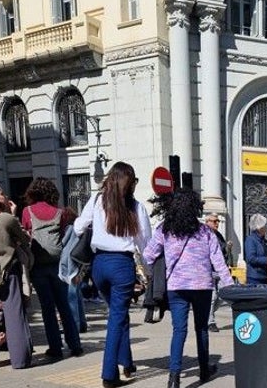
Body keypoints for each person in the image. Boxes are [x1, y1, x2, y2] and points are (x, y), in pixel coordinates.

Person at [144, 189, 233, 388]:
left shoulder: (164, 230)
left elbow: (148, 255)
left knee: (179, 331)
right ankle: (203, 370)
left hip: (176, 287)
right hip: (202, 286)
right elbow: (218, 262)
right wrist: (231, 287)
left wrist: (154, 272)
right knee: (202, 329)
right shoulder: (205, 232)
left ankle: (174, 378)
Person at [74, 162, 151, 388]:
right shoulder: (136, 208)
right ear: (131, 183)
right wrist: (147, 272)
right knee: (117, 318)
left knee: (118, 314)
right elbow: (145, 244)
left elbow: (79, 227)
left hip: (99, 266)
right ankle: (109, 374)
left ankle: (126, 361)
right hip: (121, 266)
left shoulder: (98, 200)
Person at [21, 178, 82, 359]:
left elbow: (25, 234)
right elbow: (63, 235)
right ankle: (75, 345)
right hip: (57, 265)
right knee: (64, 305)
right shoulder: (60, 212)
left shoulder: (27, 211)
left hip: (38, 267)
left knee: (47, 308)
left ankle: (55, 348)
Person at [0, 181, 33, 369]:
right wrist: (13, 214)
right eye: (0, 193)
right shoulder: (6, 219)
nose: (4, 195)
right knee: (14, 315)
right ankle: (20, 360)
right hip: (7, 271)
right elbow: (25, 239)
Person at [204, 213, 228, 333]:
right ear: (207, 221)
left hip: (220, 270)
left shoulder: (219, 235)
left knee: (223, 294)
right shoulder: (204, 234)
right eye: (214, 221)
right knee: (212, 297)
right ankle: (210, 322)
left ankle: (208, 313)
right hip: (209, 270)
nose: (217, 223)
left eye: (218, 221)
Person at [244, 213, 267, 285]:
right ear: (259, 227)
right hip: (255, 279)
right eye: (265, 225)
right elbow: (251, 258)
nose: (266, 227)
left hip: (265, 277)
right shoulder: (250, 240)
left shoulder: (263, 241)